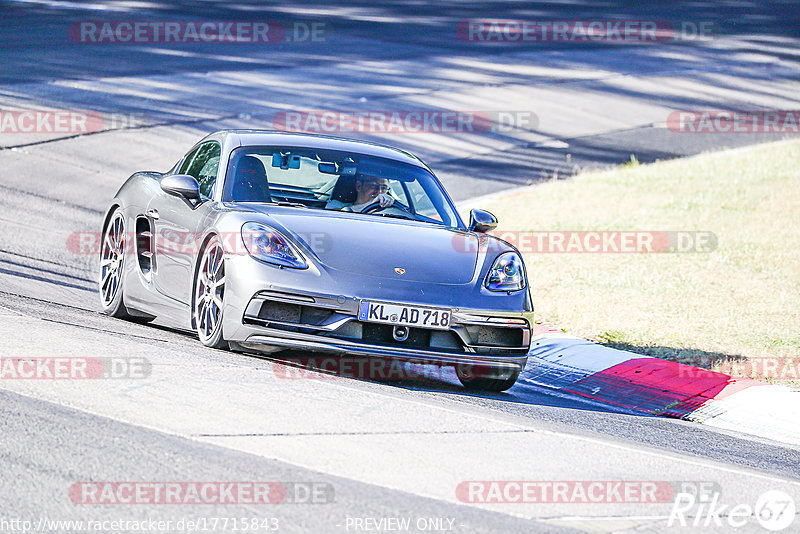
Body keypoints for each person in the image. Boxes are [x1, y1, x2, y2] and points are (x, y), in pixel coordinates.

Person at [326, 174, 395, 212]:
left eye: (383, 188)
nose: (379, 192)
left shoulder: (388, 211)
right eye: (373, 185)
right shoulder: (336, 204)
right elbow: (336, 217)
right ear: (358, 186)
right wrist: (371, 204)